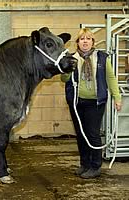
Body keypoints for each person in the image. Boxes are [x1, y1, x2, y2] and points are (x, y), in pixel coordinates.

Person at [61, 28, 122, 179]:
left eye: (88, 39)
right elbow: (64, 79)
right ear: (77, 42)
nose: (85, 41)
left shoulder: (101, 57)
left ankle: (95, 166)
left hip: (95, 103)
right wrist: (68, 70)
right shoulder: (72, 58)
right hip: (76, 102)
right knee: (81, 134)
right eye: (82, 39)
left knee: (92, 133)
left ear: (93, 42)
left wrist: (117, 97)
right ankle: (85, 164)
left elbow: (111, 78)